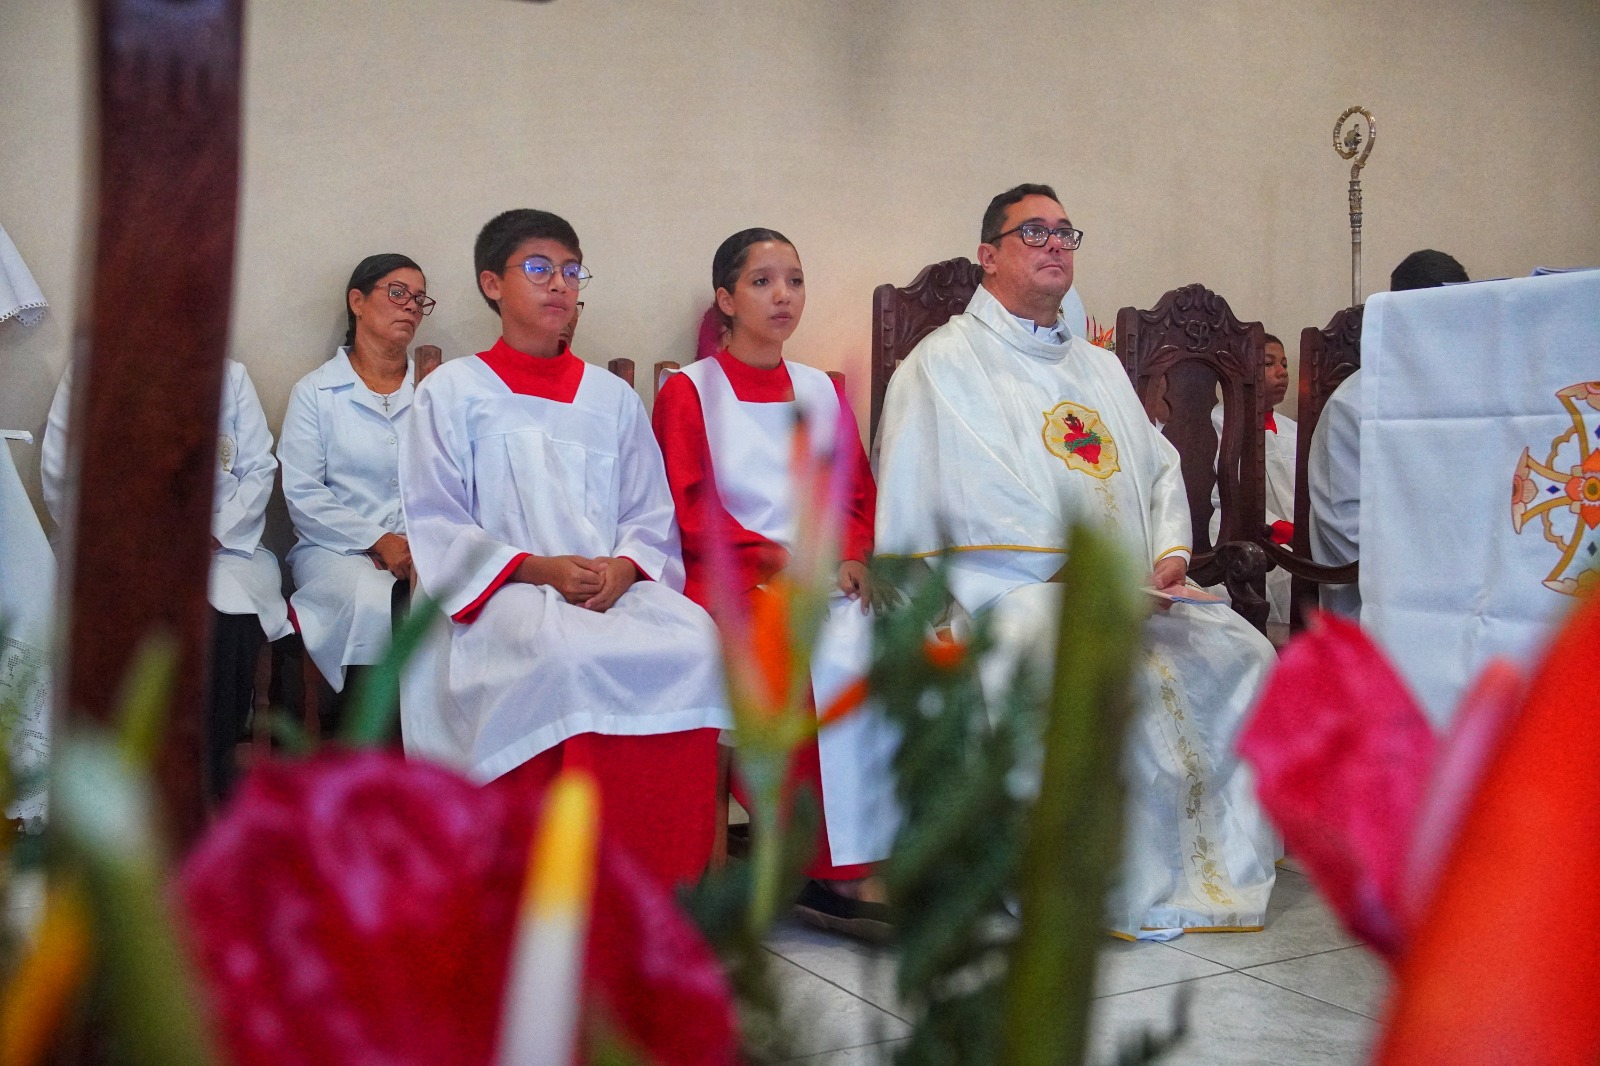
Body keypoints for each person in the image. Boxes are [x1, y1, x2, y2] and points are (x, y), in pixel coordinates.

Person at [875, 184, 1278, 938]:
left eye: (1066, 232)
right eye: (1035, 232)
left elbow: (1158, 467)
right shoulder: (943, 366)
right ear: (988, 257)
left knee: (1247, 651)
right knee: (1059, 650)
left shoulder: (1096, 367)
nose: (1057, 244)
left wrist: (1166, 556)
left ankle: (1210, 867)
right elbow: (972, 495)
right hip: (1006, 594)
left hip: (1134, 595)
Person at [399, 208, 728, 889]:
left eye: (572, 271)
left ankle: (665, 881)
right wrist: (538, 568)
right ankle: (560, 881)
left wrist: (627, 566)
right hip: (502, 594)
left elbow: (649, 512)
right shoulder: (453, 391)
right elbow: (435, 520)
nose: (560, 286)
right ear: (492, 284)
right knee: (565, 656)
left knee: (694, 639)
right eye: (539, 269)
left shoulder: (611, 399)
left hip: (605, 590)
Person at [653, 228, 899, 937]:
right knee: (797, 652)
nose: (783, 295)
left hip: (821, 573)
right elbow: (687, 504)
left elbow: (856, 494)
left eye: (793, 279)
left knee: (890, 639)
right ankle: (815, 868)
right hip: (728, 576)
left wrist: (853, 555)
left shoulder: (823, 391)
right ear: (725, 299)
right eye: (762, 282)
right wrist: (778, 561)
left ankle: (866, 858)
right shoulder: (688, 392)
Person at [42, 358, 292, 802]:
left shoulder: (230, 377)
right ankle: (122, 785)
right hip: (122, 549)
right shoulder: (91, 368)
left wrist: (213, 533)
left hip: (218, 547)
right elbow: (64, 473)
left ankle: (207, 778)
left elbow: (258, 470)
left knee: (231, 610)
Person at [278, 254, 429, 716]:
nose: (410, 307)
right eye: (397, 292)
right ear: (358, 302)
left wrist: (420, 542)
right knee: (372, 601)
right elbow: (303, 492)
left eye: (419, 299)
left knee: (447, 601)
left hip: (423, 546)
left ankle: (434, 753)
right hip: (336, 551)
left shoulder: (435, 390)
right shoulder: (316, 392)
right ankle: (367, 742)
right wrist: (380, 540)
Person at [1308, 249, 1469, 617]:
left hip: (1460, 585)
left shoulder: (1472, 403)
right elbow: (1346, 530)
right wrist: (1445, 571)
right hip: (1379, 600)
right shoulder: (1354, 406)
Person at [1209, 334, 1296, 625]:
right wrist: (1277, 528)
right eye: (1269, 364)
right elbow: (1220, 490)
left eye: (1284, 364)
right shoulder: (1219, 422)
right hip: (1251, 532)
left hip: (1300, 537)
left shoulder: (1295, 430)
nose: (1282, 372)